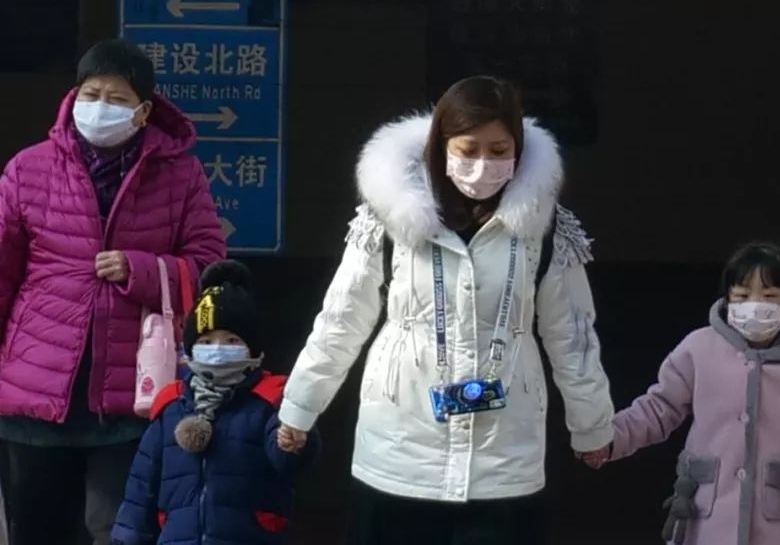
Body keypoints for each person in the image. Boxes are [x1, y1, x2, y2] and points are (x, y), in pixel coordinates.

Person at [276, 75, 615, 545]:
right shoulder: (390, 215)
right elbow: (341, 319)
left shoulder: (543, 225)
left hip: (504, 458)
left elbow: (572, 334)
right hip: (399, 450)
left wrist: (592, 425)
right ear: (441, 146)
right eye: (468, 149)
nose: (483, 164)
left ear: (518, 149)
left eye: (499, 150)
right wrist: (299, 407)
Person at [0, 39, 226, 544]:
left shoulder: (180, 174)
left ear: (144, 111)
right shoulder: (28, 168)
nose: (100, 107)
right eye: (92, 93)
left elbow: (209, 263)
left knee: (120, 530)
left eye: (117, 98)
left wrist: (140, 269)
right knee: (37, 528)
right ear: (74, 96)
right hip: (35, 389)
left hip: (131, 398)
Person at [581, 243, 780, 545]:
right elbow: (658, 408)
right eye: (742, 296)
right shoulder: (698, 349)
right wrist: (609, 439)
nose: (754, 305)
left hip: (778, 524)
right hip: (707, 516)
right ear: (727, 299)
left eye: (769, 296)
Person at [111, 260, 319, 545]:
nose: (218, 349)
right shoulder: (171, 405)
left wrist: (294, 442)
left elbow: (289, 460)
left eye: (232, 340)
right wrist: (128, 537)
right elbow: (142, 484)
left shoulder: (271, 400)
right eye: (206, 342)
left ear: (252, 347)